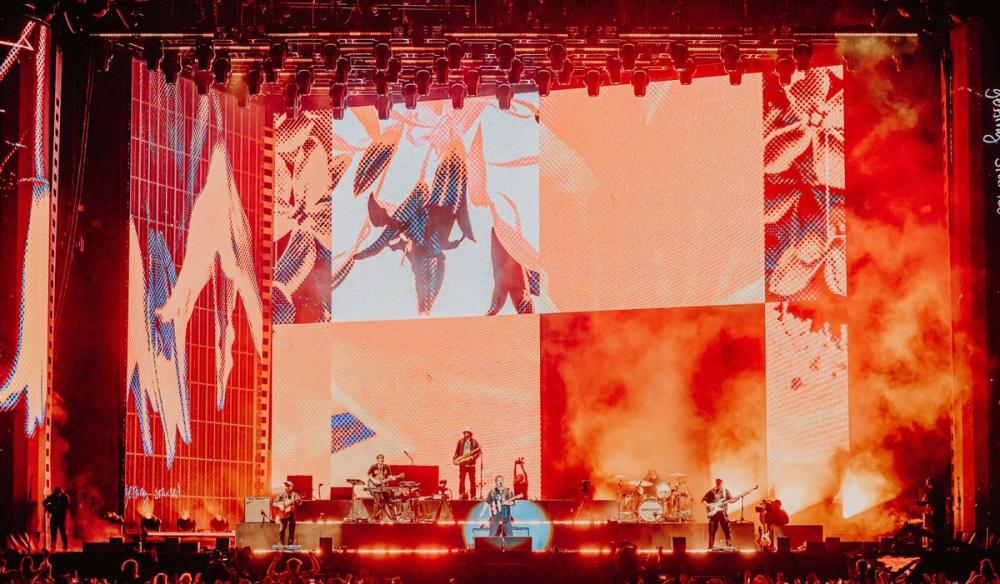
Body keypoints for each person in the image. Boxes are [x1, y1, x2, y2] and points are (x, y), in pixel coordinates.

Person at [701, 478, 733, 549]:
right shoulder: (711, 491)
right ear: (715, 483)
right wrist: (708, 505)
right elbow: (703, 500)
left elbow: (731, 500)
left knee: (727, 530)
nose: (718, 484)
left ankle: (730, 546)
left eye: (720, 482)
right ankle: (710, 547)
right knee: (712, 531)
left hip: (723, 514)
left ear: (722, 483)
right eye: (717, 482)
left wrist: (738, 498)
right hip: (713, 514)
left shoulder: (725, 491)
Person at [367, 454, 397, 521]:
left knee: (389, 500)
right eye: (380, 460)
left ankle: (394, 518)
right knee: (377, 502)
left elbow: (389, 476)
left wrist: (392, 478)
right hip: (374, 486)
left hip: (384, 485)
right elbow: (368, 474)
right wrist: (373, 480)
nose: (381, 462)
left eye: (382, 460)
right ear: (377, 460)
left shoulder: (387, 467)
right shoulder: (373, 466)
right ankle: (373, 517)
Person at [453, 429, 481, 500]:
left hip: (471, 465)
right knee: (462, 480)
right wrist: (455, 459)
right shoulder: (460, 441)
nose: (466, 434)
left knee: (472, 480)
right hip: (463, 465)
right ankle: (461, 495)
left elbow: (478, 452)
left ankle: (473, 495)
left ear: (470, 433)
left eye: (467, 433)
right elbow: (456, 452)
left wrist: (473, 457)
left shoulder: (474, 442)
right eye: (465, 433)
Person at [273, 480, 302, 546]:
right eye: (286, 485)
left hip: (292, 514)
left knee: (292, 528)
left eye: (289, 486)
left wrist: (299, 501)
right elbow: (274, 503)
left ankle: (290, 543)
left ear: (292, 487)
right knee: (282, 528)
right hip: (283, 513)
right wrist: (280, 505)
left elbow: (299, 503)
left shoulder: (295, 495)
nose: (287, 487)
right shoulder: (282, 494)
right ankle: (281, 542)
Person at [43, 486, 70, 551]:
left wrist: (57, 508)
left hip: (61, 518)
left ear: (60, 493)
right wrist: (50, 509)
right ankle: (53, 547)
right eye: (56, 495)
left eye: (58, 495)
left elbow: (65, 507)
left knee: (62, 532)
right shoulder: (53, 496)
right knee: (53, 533)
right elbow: (44, 502)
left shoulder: (65, 497)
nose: (57, 496)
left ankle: (65, 546)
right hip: (54, 517)